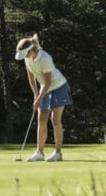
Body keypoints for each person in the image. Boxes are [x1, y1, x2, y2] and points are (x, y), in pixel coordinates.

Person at [14, 34, 72, 162]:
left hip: (58, 86)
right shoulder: (27, 58)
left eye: (25, 54)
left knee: (55, 119)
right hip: (44, 87)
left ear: (31, 50)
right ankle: (39, 153)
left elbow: (48, 83)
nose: (25, 56)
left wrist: (39, 98)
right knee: (41, 118)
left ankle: (58, 153)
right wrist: (35, 94)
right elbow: (31, 77)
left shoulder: (45, 58)